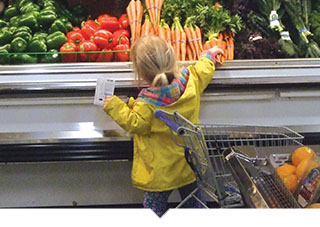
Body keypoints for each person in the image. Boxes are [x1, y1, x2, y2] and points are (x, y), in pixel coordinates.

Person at [103, 35, 223, 217]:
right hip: (190, 163)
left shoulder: (146, 104)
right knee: (194, 202)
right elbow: (203, 69)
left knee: (153, 210)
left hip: (160, 172)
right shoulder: (191, 79)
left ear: (140, 73)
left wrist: (114, 105)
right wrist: (209, 55)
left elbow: (134, 123)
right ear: (172, 57)